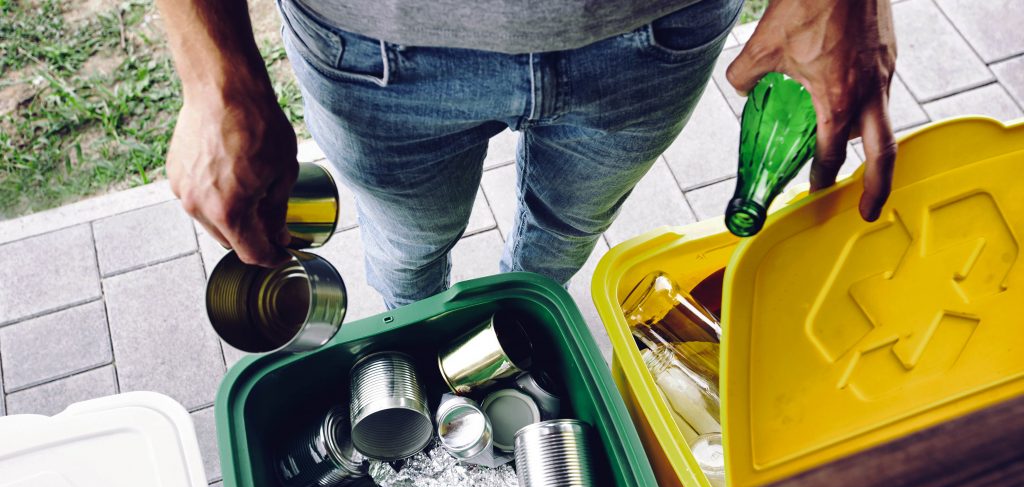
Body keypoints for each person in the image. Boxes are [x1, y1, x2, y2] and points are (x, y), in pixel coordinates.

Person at [158, 0, 897, 308]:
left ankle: (524, 327)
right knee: (410, 251)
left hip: (657, 32)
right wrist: (210, 67)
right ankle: (418, 337)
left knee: (563, 240)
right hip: (373, 50)